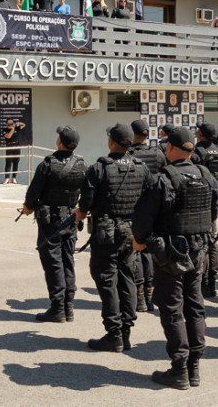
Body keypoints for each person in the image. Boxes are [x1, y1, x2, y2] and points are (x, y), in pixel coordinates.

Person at [132, 126, 218, 389]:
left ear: (170, 148)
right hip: (197, 249)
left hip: (170, 252)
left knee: (172, 309)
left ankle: (180, 368)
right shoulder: (206, 175)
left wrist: (140, 240)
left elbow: (144, 218)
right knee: (195, 306)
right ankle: (194, 366)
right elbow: (214, 210)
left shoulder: (164, 178)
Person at [73, 123, 150, 353]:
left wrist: (79, 213)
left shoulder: (99, 168)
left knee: (107, 281)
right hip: (131, 232)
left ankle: (114, 333)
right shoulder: (141, 167)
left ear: (111, 142)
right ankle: (125, 332)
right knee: (127, 278)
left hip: (106, 235)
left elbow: (85, 205)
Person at [21, 126, 87, 323]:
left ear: (60, 142)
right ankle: (68, 307)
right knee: (68, 261)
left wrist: (27, 208)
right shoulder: (81, 165)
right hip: (71, 220)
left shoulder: (48, 164)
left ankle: (58, 308)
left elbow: (33, 192)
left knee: (53, 263)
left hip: (51, 222)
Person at [129, 119, 167, 312]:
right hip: (155, 209)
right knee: (149, 252)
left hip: (135, 209)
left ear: (133, 133)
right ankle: (150, 295)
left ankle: (140, 297)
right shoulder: (158, 153)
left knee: (136, 251)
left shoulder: (130, 155)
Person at [191, 121, 218, 298]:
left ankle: (204, 282)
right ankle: (212, 282)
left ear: (201, 134)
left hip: (201, 198)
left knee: (202, 243)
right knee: (212, 241)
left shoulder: (198, 151)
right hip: (216, 195)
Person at [2, 118, 25, 184]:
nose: (10, 125)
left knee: (16, 162)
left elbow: (24, 125)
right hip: (9, 146)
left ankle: (14, 178)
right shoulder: (5, 130)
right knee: (8, 163)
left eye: (11, 123)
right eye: (9, 124)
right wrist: (12, 129)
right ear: (6, 124)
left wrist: (19, 123)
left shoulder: (16, 128)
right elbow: (8, 136)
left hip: (17, 145)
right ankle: (7, 178)